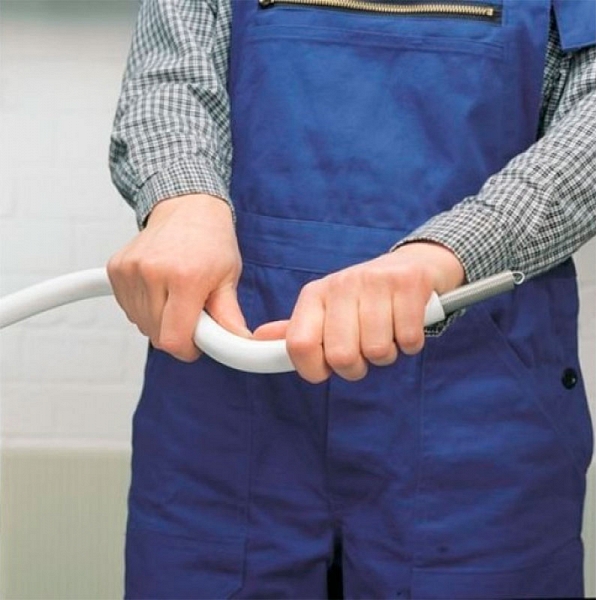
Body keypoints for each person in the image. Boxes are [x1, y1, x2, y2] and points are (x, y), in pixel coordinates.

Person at [108, 0, 596, 597]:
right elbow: (170, 74)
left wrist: (446, 255)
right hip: (226, 391)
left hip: (478, 404)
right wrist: (183, 200)